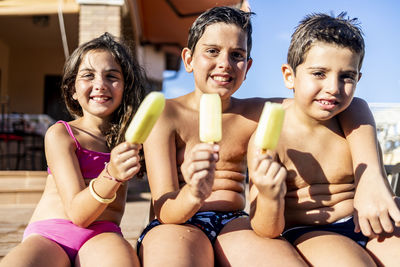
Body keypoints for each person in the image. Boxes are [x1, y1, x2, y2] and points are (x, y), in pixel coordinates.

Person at [137, 6, 307, 267]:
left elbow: (323, 102)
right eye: (212, 51)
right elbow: (165, 209)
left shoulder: (257, 113)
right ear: (189, 59)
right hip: (176, 221)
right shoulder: (166, 114)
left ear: (247, 66)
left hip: (236, 222)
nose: (225, 64)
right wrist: (193, 192)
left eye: (236, 55)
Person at [248, 12, 400, 266]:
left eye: (346, 76)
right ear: (289, 76)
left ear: (358, 79)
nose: (333, 87)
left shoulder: (355, 114)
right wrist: (268, 195)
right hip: (312, 231)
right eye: (319, 73)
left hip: (368, 220)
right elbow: (266, 229)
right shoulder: (272, 137)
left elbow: (375, 180)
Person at [0, 32, 146, 267]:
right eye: (88, 75)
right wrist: (112, 175)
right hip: (51, 235)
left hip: (103, 235)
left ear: (126, 88)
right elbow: (79, 214)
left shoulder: (131, 139)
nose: (100, 84)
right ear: (72, 90)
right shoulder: (61, 135)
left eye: (111, 76)